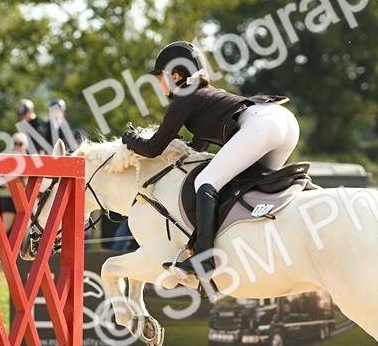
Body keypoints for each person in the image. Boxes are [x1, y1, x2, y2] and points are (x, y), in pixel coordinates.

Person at [121, 41, 297, 281]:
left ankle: (204, 256)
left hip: (262, 124)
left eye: (160, 76)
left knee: (206, 180)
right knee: (253, 186)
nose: (159, 83)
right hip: (284, 122)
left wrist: (130, 139)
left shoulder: (184, 97)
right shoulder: (207, 96)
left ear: (175, 75)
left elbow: (153, 149)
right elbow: (197, 148)